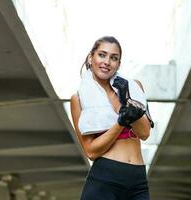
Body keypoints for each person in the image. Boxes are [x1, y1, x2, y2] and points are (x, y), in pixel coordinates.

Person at [70, 36, 154, 200]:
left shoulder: (133, 88)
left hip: (138, 180)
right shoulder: (78, 99)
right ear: (91, 57)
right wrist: (120, 122)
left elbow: (144, 133)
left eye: (113, 58)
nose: (107, 62)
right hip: (104, 180)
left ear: (119, 64)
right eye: (102, 55)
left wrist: (125, 101)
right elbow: (91, 152)